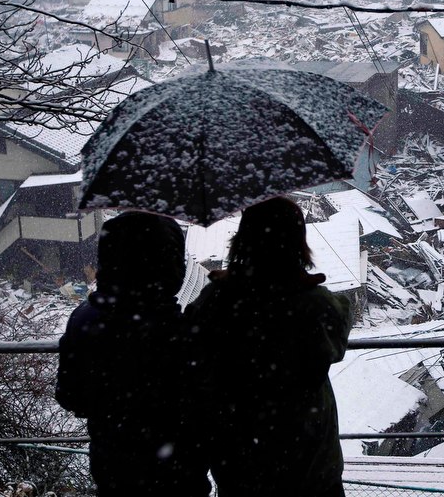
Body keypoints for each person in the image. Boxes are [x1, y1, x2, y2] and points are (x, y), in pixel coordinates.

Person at [188, 196, 351, 497]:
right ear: (297, 244)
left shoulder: (216, 301)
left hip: (240, 459)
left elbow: (197, 351)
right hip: (310, 461)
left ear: (242, 241)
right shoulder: (314, 305)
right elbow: (339, 322)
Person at [56, 212, 209, 497]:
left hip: (114, 467)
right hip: (180, 472)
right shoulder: (184, 330)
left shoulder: (85, 321)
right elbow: (210, 403)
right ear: (170, 265)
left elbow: (70, 396)